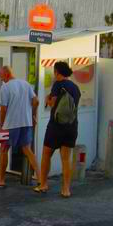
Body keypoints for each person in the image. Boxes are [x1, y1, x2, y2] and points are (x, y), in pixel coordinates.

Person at [35, 61, 81, 198]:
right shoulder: (75, 87)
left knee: (46, 154)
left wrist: (48, 99)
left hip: (56, 127)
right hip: (71, 127)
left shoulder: (57, 85)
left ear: (57, 72)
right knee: (66, 159)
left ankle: (43, 184)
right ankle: (66, 189)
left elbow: (52, 103)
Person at [0, 66, 39, 188]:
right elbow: (36, 101)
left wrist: (1, 125)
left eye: (1, 76)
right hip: (26, 122)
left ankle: (1, 180)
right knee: (28, 150)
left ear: (6, 74)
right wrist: (32, 115)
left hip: (11, 124)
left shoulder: (5, 87)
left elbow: (3, 109)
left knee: (4, 149)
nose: (1, 79)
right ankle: (41, 179)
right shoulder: (25, 84)